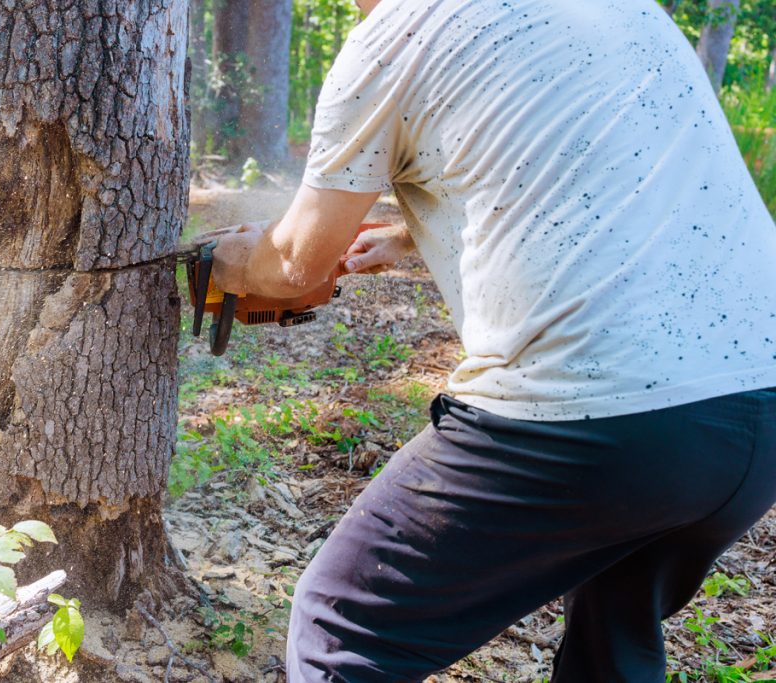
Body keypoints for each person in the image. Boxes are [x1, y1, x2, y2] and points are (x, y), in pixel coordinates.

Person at [207, 0, 776, 681]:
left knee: (342, 621)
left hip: (597, 419)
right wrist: (412, 234)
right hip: (755, 407)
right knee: (612, 638)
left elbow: (297, 262)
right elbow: (596, 173)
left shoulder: (394, 39)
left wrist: (229, 260)